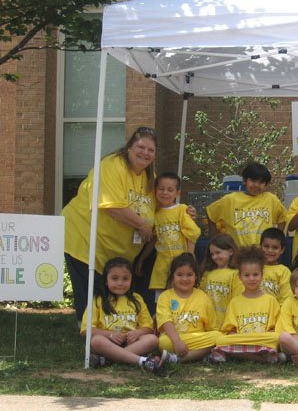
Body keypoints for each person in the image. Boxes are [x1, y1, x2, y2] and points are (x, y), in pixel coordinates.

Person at [63, 126, 158, 320]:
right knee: (90, 297)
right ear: (129, 147)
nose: (145, 153)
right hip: (85, 239)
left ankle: (115, 329)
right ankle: (89, 334)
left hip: (116, 251)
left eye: (151, 150)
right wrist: (142, 225)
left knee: (112, 298)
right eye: (141, 147)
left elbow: (161, 207)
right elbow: (110, 206)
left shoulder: (150, 178)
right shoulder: (113, 165)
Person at [80, 257, 160, 372]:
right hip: (108, 343)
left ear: (131, 279)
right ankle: (142, 360)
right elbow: (86, 330)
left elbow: (148, 328)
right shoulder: (98, 299)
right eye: (114, 278)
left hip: (131, 343)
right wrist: (111, 335)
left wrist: (137, 333)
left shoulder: (137, 299)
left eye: (125, 279)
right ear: (106, 280)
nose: (120, 283)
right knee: (96, 340)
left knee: (152, 339)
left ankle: (107, 360)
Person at [135, 172, 201, 299]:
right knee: (162, 302)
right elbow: (154, 239)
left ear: (177, 193)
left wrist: (190, 256)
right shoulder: (155, 213)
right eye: (161, 189)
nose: (165, 193)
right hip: (162, 267)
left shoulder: (182, 209)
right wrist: (142, 259)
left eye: (170, 190)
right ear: (155, 191)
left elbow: (193, 233)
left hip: (182, 265)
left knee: (180, 300)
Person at [212, 246, 281, 363]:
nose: (251, 279)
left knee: (275, 338)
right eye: (247, 275)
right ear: (240, 277)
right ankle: (261, 357)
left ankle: (240, 355)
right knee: (220, 339)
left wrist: (263, 337)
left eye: (255, 274)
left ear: (262, 275)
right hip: (242, 340)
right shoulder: (235, 301)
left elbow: (276, 329)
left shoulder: (271, 300)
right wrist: (237, 337)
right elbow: (230, 331)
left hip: (263, 340)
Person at [156, 253, 223, 363]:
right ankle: (201, 354)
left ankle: (177, 359)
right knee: (163, 342)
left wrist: (211, 339)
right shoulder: (165, 296)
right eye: (180, 274)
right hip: (173, 340)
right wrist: (177, 341)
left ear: (196, 276)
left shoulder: (203, 297)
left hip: (198, 339)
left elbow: (212, 328)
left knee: (218, 336)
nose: (185, 279)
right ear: (172, 276)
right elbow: (166, 321)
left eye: (189, 274)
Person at [206, 162, 286, 247]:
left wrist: (277, 240)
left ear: (266, 185)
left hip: (263, 254)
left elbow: (283, 218)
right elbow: (211, 214)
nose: (256, 185)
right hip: (237, 254)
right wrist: (215, 243)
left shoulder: (271, 199)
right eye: (253, 180)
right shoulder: (229, 200)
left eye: (261, 182)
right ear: (244, 181)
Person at [200, 233, 243, 328]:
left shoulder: (236, 274)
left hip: (228, 325)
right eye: (212, 254)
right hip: (209, 325)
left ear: (230, 251)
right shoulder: (208, 273)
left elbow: (237, 301)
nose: (214, 257)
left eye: (218, 252)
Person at [259, 227, 293, 305]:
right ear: (260, 246)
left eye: (275, 247)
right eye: (266, 246)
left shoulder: (284, 271)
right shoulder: (252, 268)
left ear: (282, 250)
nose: (270, 250)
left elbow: (286, 301)